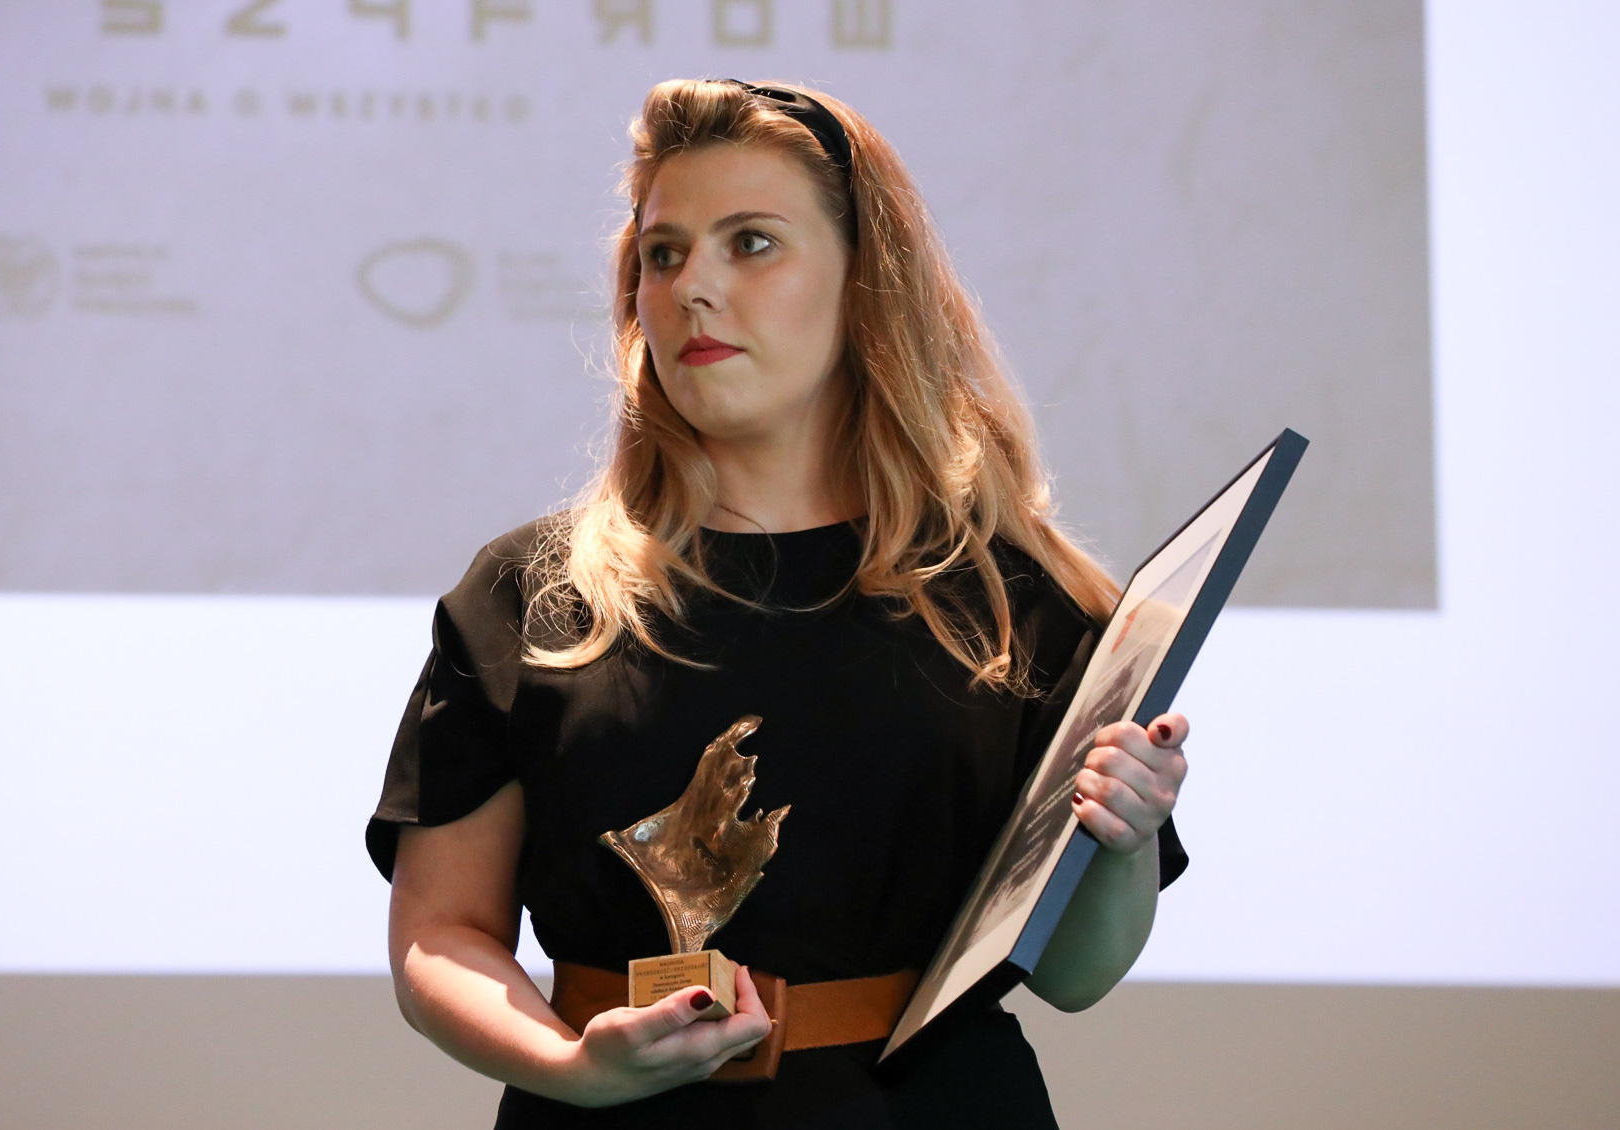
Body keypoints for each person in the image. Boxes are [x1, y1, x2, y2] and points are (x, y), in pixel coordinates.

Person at [366, 78, 1190, 1128]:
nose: (693, 288)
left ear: (867, 281)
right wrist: (570, 1067)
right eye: (664, 254)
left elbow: (1073, 975)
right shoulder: (533, 593)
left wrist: (1124, 836)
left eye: (751, 243)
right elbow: (440, 934)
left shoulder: (1012, 599)